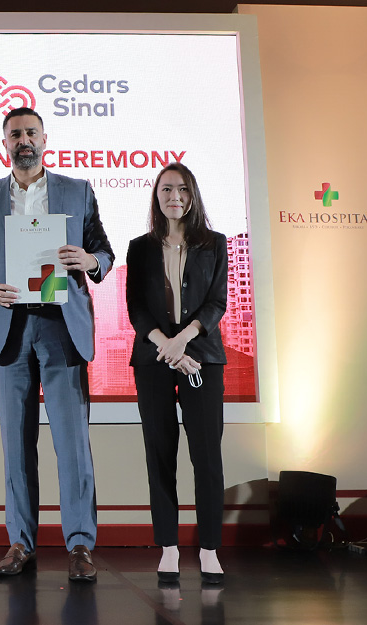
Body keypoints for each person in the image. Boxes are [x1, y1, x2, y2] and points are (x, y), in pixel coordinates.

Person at [0, 107, 114, 581]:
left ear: (45, 138)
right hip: (9, 328)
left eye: (30, 132)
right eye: (14, 134)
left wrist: (87, 259)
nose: (23, 140)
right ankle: (20, 543)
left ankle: (80, 546)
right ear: (3, 143)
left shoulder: (77, 191)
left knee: (73, 445)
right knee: (15, 446)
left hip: (61, 327)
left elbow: (104, 253)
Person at [125, 162, 228, 584]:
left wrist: (182, 341)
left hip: (201, 356)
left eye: (182, 190)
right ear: (156, 196)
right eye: (166, 190)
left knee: (206, 457)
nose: (174, 197)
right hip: (153, 361)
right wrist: (165, 347)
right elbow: (136, 308)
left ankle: (208, 548)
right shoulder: (140, 247)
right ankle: (168, 546)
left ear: (193, 196)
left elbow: (216, 303)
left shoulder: (215, 243)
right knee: (159, 453)